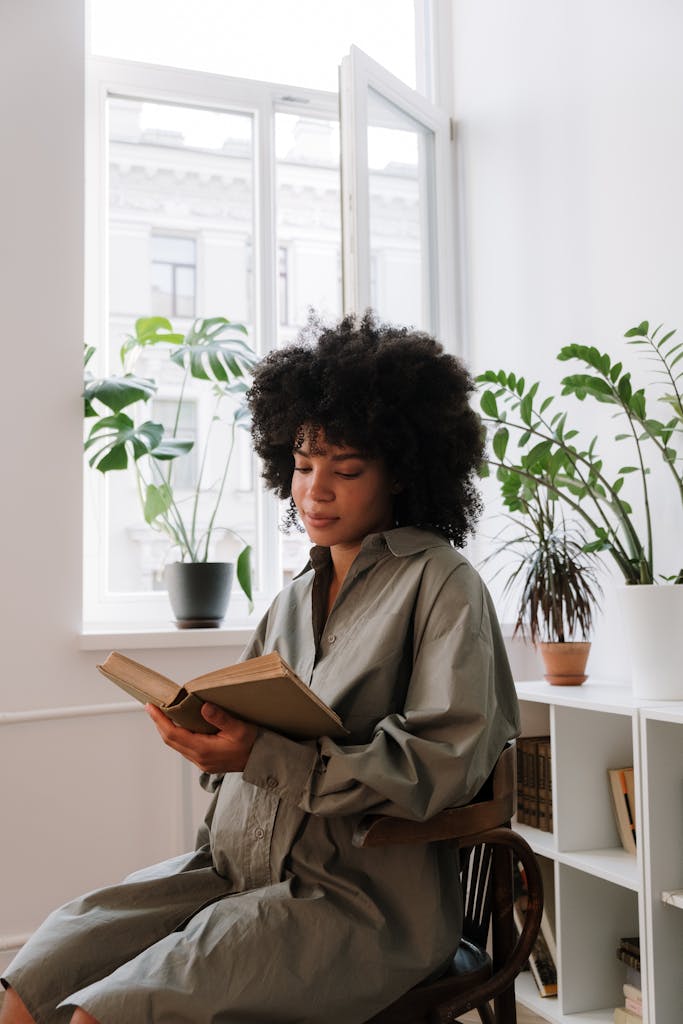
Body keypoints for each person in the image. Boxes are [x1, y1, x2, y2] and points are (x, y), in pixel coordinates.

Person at [1, 312, 520, 1024]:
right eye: (303, 467)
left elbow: (442, 762)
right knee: (30, 982)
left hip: (357, 900)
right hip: (228, 872)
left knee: (105, 1015)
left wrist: (265, 755)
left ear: (402, 471)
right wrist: (210, 738)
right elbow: (250, 740)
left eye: (346, 469)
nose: (315, 492)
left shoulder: (442, 584)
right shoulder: (293, 597)